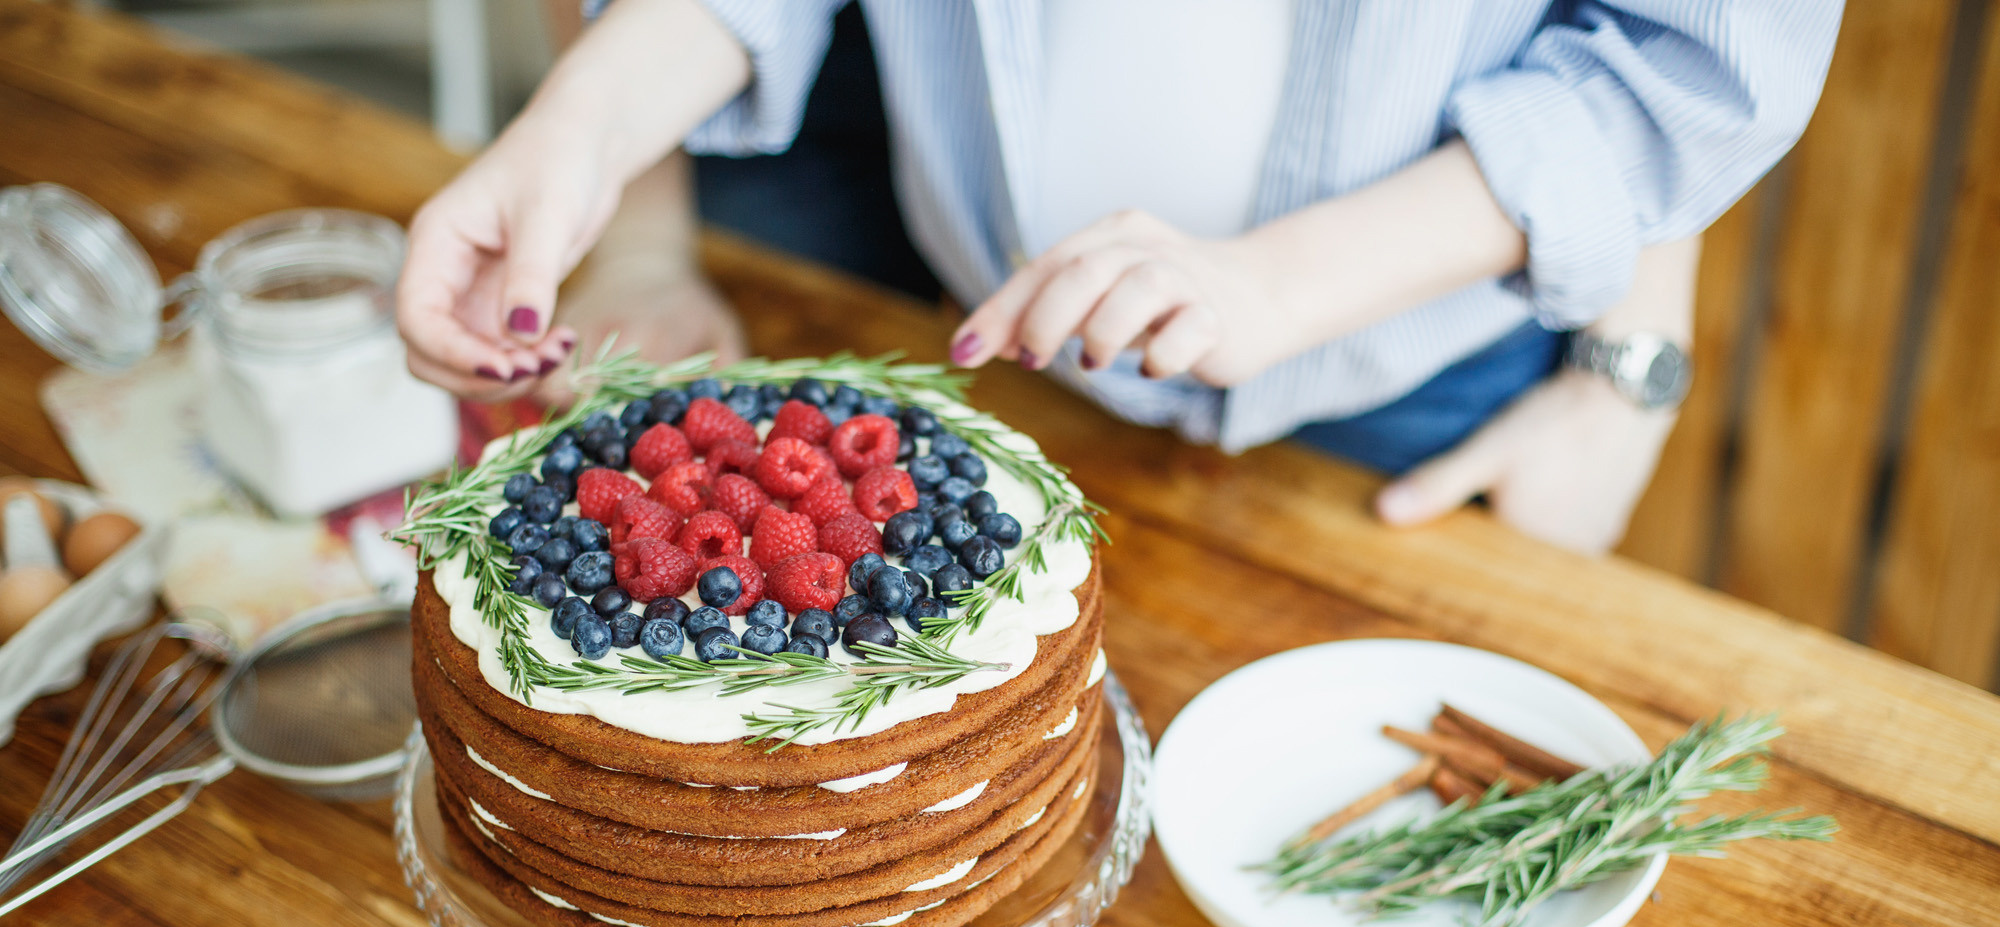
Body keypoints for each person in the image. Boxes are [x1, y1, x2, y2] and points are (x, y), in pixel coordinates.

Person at [396, 0, 1841, 554]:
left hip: (1414, 382)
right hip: (983, 332)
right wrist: (585, 128)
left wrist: (1622, 376)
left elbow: (1692, 55)